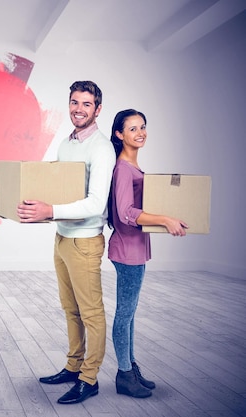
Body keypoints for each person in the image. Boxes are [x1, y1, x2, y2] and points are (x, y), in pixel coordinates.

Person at [16, 81, 115, 404]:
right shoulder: (67, 143)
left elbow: (96, 203)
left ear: (97, 109)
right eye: (75, 102)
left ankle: (89, 378)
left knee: (91, 313)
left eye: (87, 104)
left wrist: (51, 210)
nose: (78, 109)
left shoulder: (101, 148)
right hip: (62, 237)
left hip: (85, 242)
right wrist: (13, 196)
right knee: (70, 309)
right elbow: (54, 187)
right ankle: (73, 367)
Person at [107, 109, 187, 398]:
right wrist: (164, 219)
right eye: (132, 129)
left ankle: (131, 367)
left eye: (143, 127)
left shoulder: (133, 167)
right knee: (124, 314)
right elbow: (126, 213)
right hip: (127, 250)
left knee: (129, 315)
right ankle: (124, 375)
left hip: (136, 250)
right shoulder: (123, 169)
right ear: (119, 134)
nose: (140, 132)